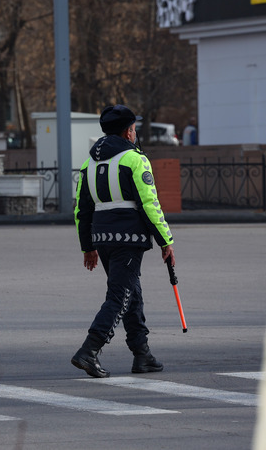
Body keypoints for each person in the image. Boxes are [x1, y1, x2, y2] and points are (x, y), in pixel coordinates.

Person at [71, 104, 176, 378]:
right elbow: (149, 204)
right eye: (133, 128)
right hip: (129, 239)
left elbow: (81, 211)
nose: (134, 133)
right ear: (128, 131)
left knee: (131, 293)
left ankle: (142, 355)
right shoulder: (134, 159)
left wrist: (88, 247)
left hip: (102, 239)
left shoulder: (88, 163)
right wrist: (166, 241)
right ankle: (89, 350)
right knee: (120, 295)